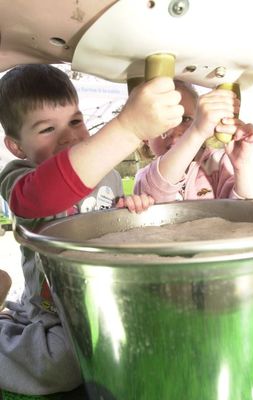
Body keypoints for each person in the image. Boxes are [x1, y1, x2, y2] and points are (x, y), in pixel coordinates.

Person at [0, 64, 184, 396]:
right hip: (54, 310)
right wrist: (127, 128)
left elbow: (107, 226)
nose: (69, 136)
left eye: (75, 121)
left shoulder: (108, 175)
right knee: (62, 367)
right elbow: (43, 196)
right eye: (47, 129)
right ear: (16, 146)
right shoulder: (19, 177)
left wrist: (127, 211)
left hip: (101, 299)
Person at [134, 80, 253, 201]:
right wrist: (195, 132)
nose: (174, 130)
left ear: (202, 121)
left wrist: (242, 167)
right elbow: (155, 194)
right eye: (160, 120)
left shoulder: (219, 162)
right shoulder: (143, 177)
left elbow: (246, 208)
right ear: (145, 137)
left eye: (186, 119)